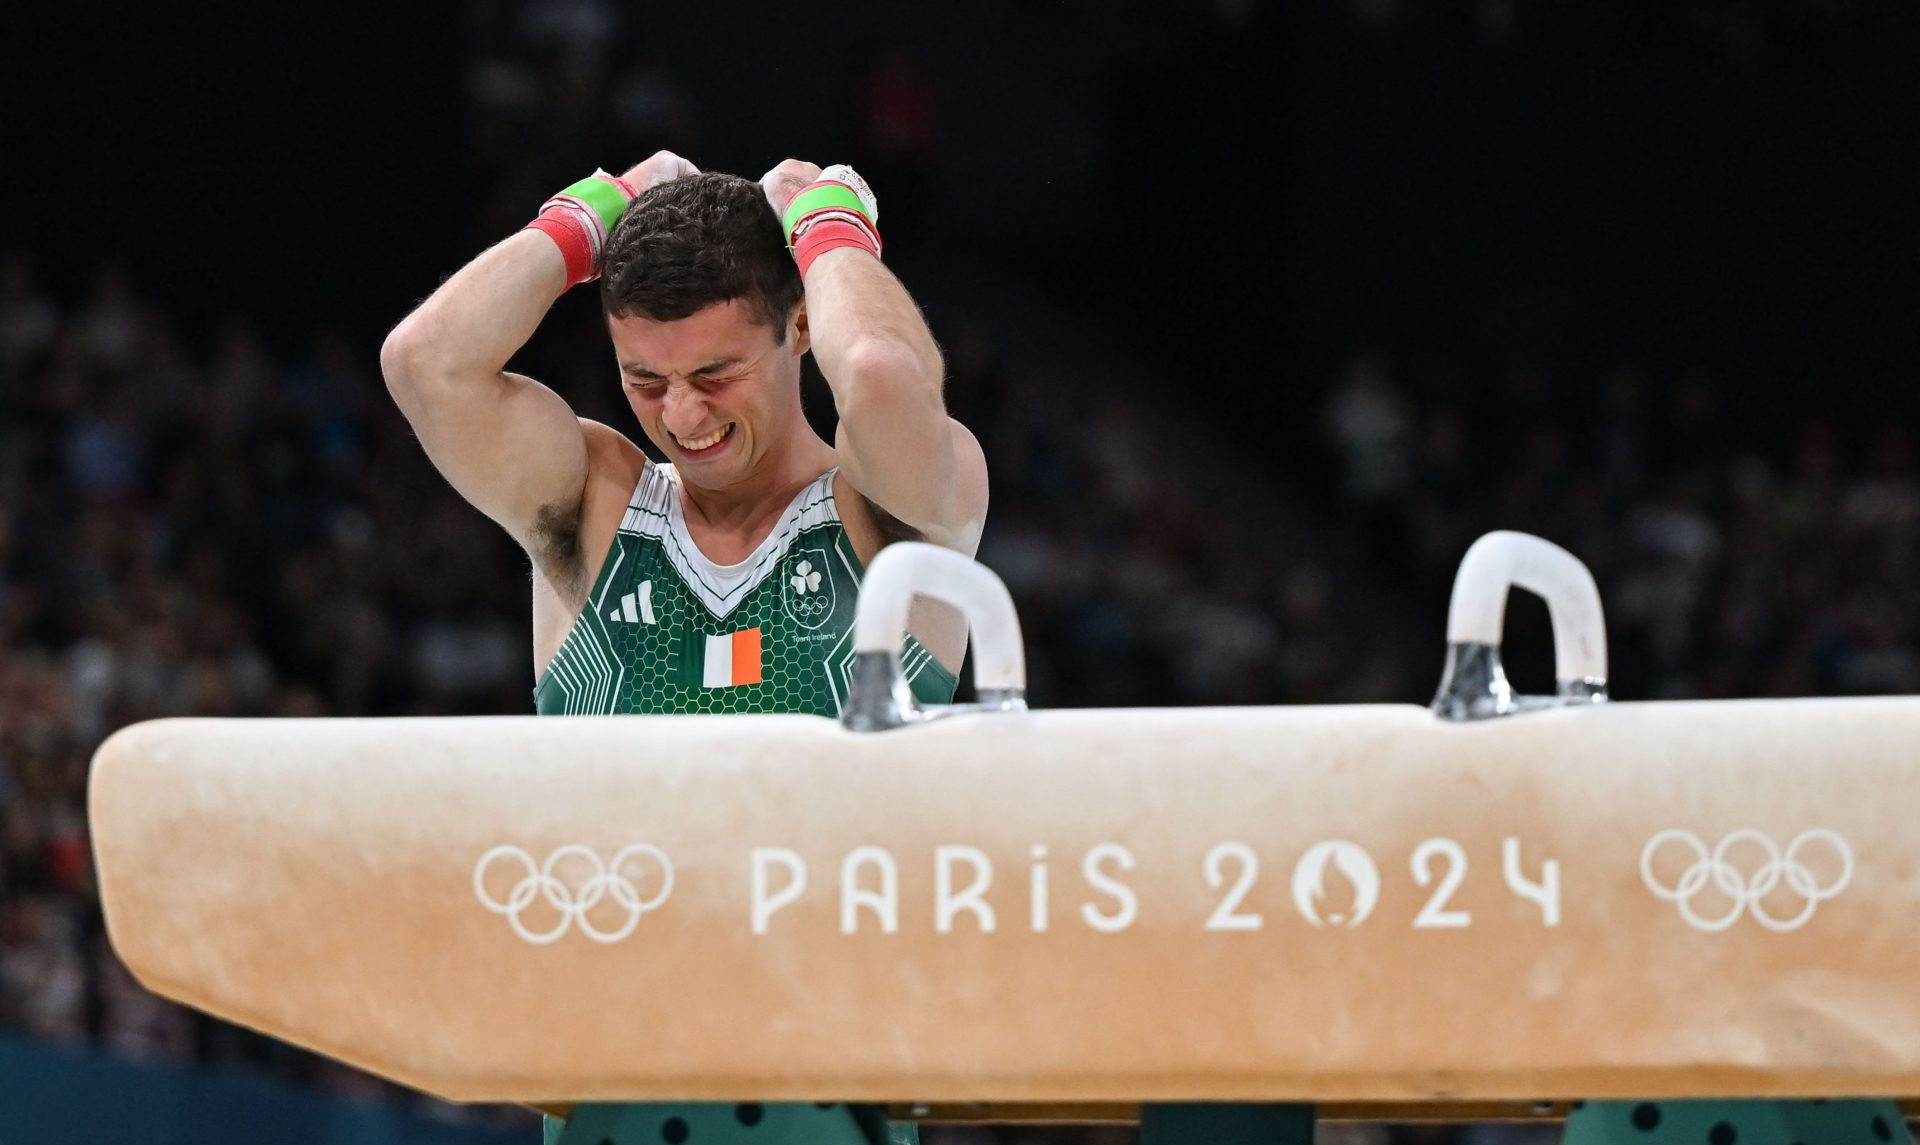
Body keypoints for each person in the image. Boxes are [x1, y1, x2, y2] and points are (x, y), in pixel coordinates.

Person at [381, 151, 987, 1143]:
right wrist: (596, 207)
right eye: (645, 380)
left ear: (800, 324)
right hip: (612, 1090)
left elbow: (878, 370)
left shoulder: (890, 515)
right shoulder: (595, 504)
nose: (683, 416)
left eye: (714, 373)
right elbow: (425, 363)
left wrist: (828, 222)